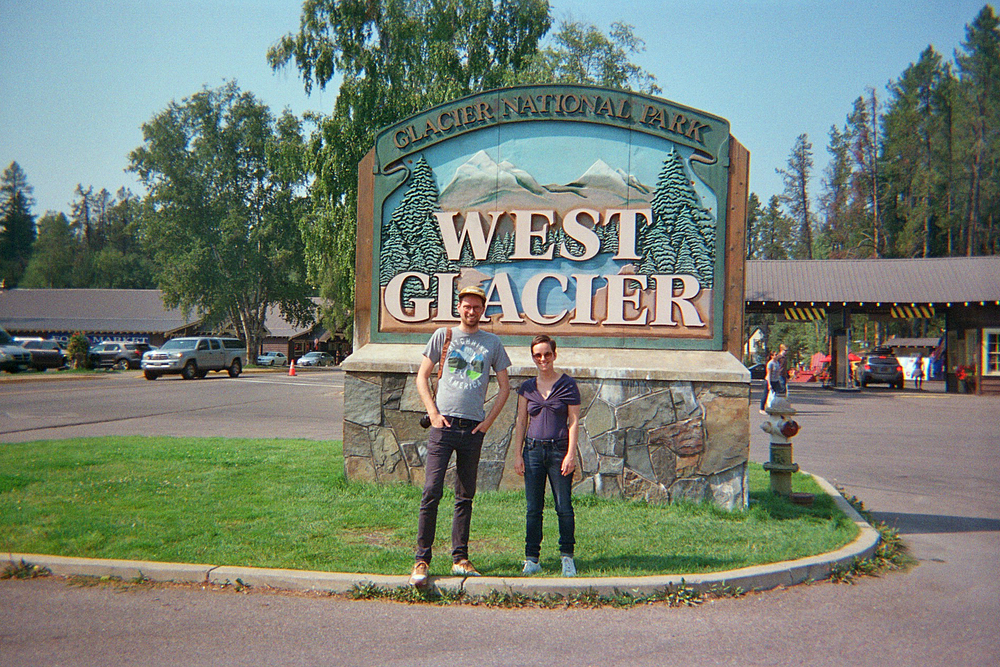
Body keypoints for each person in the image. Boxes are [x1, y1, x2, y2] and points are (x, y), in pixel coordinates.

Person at [409, 285, 511, 588]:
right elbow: (421, 377)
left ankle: (460, 558)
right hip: (443, 428)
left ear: (483, 310)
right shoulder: (444, 336)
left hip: (473, 429)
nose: (471, 311)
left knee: (465, 496)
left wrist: (487, 422)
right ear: (459, 308)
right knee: (431, 491)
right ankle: (421, 559)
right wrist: (434, 412)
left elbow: (504, 388)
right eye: (466, 306)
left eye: (476, 307)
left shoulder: (492, 343)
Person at [512, 334, 580, 577]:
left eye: (547, 354)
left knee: (563, 506)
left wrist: (571, 454)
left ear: (554, 354)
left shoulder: (568, 385)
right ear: (533, 357)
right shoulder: (527, 388)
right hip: (532, 451)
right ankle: (532, 558)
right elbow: (521, 421)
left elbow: (573, 420)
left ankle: (567, 558)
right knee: (533, 507)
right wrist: (518, 454)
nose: (543, 359)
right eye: (538, 355)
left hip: (559, 450)